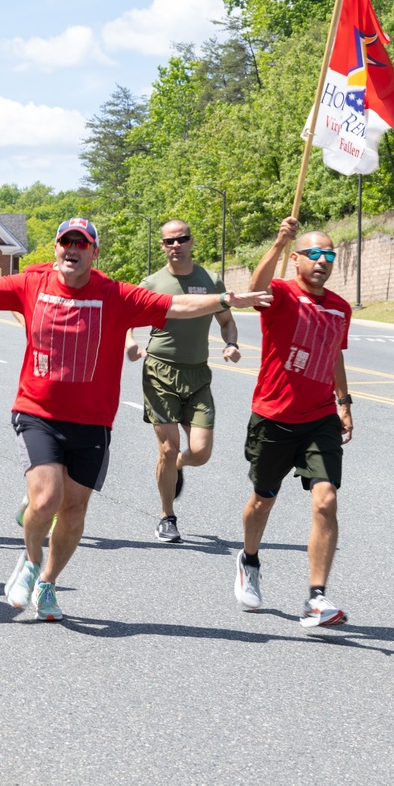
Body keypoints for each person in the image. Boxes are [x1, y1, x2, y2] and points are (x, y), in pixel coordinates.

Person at [0, 218, 271, 620]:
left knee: (73, 511)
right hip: (38, 412)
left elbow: (176, 306)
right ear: (56, 248)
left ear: (93, 252)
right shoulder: (32, 284)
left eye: (81, 243)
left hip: (92, 422)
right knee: (46, 499)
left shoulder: (115, 294)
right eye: (65, 242)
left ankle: (48, 582)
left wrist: (226, 300)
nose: (72, 248)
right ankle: (31, 560)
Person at [233, 216, 354, 629]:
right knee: (263, 499)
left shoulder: (340, 307)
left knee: (326, 500)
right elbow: (253, 290)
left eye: (330, 255)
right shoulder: (280, 294)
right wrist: (278, 244)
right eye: (314, 253)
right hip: (273, 416)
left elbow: (334, 352)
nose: (323, 261)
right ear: (298, 259)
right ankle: (249, 560)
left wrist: (344, 401)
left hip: (319, 417)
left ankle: (316, 598)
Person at [125, 218, 241, 544]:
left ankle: (177, 463)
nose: (176, 245)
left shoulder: (211, 280)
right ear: (162, 246)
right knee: (167, 445)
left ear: (192, 241)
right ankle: (167, 516)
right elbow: (127, 319)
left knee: (201, 453)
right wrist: (131, 343)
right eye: (169, 241)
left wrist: (231, 343)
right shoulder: (151, 283)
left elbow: (227, 321)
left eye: (181, 239)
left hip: (198, 374)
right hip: (160, 372)